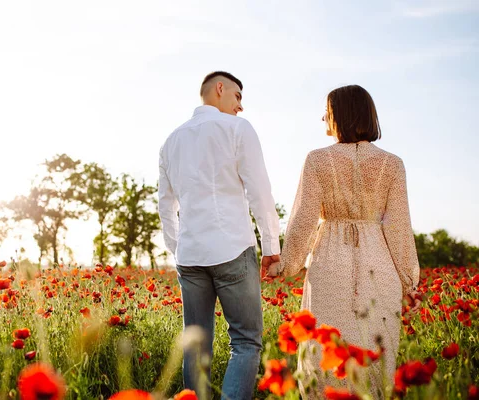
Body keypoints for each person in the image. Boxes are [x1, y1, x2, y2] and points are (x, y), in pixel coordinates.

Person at [268, 84, 421, 398]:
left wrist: (286, 263)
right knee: (373, 356)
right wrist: (409, 282)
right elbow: (399, 228)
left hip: (329, 262)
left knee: (324, 355)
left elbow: (304, 220)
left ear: (340, 115)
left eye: (327, 110)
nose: (323, 117)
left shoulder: (318, 160)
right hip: (380, 265)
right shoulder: (392, 164)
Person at [158, 71, 281, 400]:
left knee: (195, 344)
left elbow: (165, 205)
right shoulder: (238, 129)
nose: (240, 106)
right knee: (246, 341)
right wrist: (271, 244)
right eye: (238, 96)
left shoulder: (171, 141)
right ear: (220, 89)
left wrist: (177, 249)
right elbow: (259, 192)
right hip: (233, 249)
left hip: (190, 256)